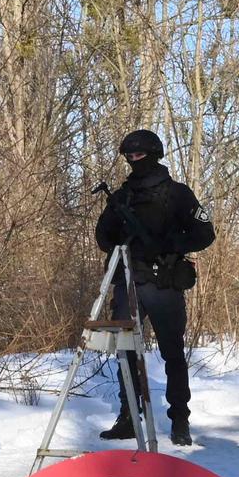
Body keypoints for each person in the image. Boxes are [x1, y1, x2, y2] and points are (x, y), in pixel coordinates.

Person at [94, 129, 215, 446]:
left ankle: (180, 420)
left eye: (139, 155)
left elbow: (205, 233)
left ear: (154, 154)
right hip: (129, 280)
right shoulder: (122, 197)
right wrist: (117, 234)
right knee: (124, 352)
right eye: (129, 157)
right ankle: (129, 417)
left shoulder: (179, 195)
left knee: (172, 353)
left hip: (165, 283)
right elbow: (102, 238)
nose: (134, 161)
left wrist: (174, 242)